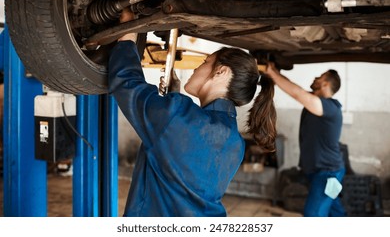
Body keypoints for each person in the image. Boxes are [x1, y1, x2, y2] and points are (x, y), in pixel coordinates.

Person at [108, 11, 277, 217]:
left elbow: (126, 83)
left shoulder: (178, 115)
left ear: (221, 72)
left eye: (205, 62)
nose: (198, 67)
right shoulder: (236, 143)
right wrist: (172, 99)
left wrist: (127, 33)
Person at [265, 63, 346, 217]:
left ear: (325, 84)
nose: (315, 78)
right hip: (318, 170)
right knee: (334, 211)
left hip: (327, 173)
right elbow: (294, 89)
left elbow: (298, 94)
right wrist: (275, 73)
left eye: (320, 77)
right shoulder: (315, 101)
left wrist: (274, 74)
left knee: (313, 214)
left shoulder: (330, 107)